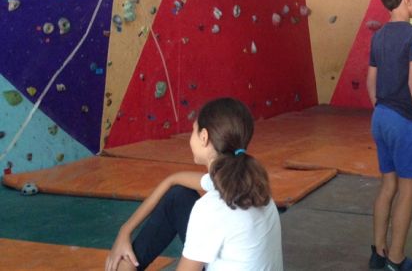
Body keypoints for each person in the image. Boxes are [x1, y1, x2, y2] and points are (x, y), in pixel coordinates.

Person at [105, 98, 283, 271]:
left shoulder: (210, 208)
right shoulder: (254, 188)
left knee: (178, 197)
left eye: (193, 130)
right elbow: (174, 180)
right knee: (178, 196)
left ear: (204, 137)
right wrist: (125, 231)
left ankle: (125, 265)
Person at [366, 0, 412, 271]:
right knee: (409, 189)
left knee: (388, 185)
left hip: (380, 117)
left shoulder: (379, 36)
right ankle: (395, 260)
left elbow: (371, 81)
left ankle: (378, 252)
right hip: (403, 122)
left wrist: (381, 109)